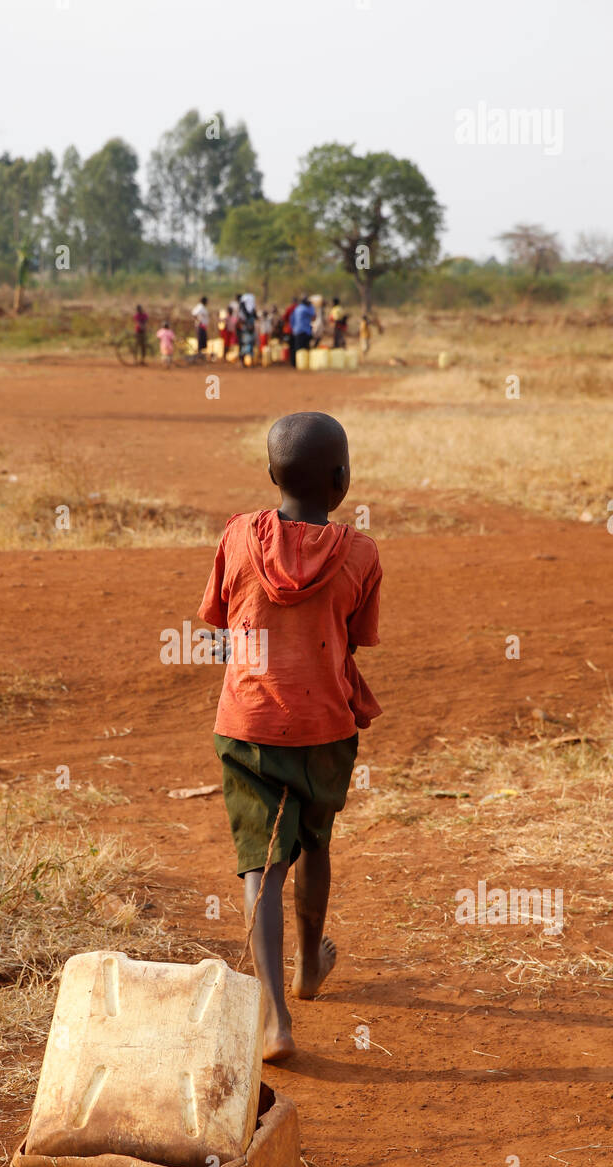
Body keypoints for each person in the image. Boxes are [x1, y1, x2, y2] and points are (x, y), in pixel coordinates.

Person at [198, 412, 383, 1061]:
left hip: (249, 724)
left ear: (272, 475)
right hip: (325, 726)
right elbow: (356, 636)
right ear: (341, 479)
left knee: (263, 862)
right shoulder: (361, 553)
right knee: (314, 843)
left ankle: (275, 1018)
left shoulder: (238, 536)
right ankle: (309, 967)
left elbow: (219, 615)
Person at [289, 294, 314, 365]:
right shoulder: (306, 309)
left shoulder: (297, 308)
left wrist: (293, 328)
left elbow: (292, 319)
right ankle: (303, 364)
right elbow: (313, 315)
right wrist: (311, 306)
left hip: (296, 331)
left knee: (297, 348)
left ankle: (295, 363)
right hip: (304, 331)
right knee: (304, 349)